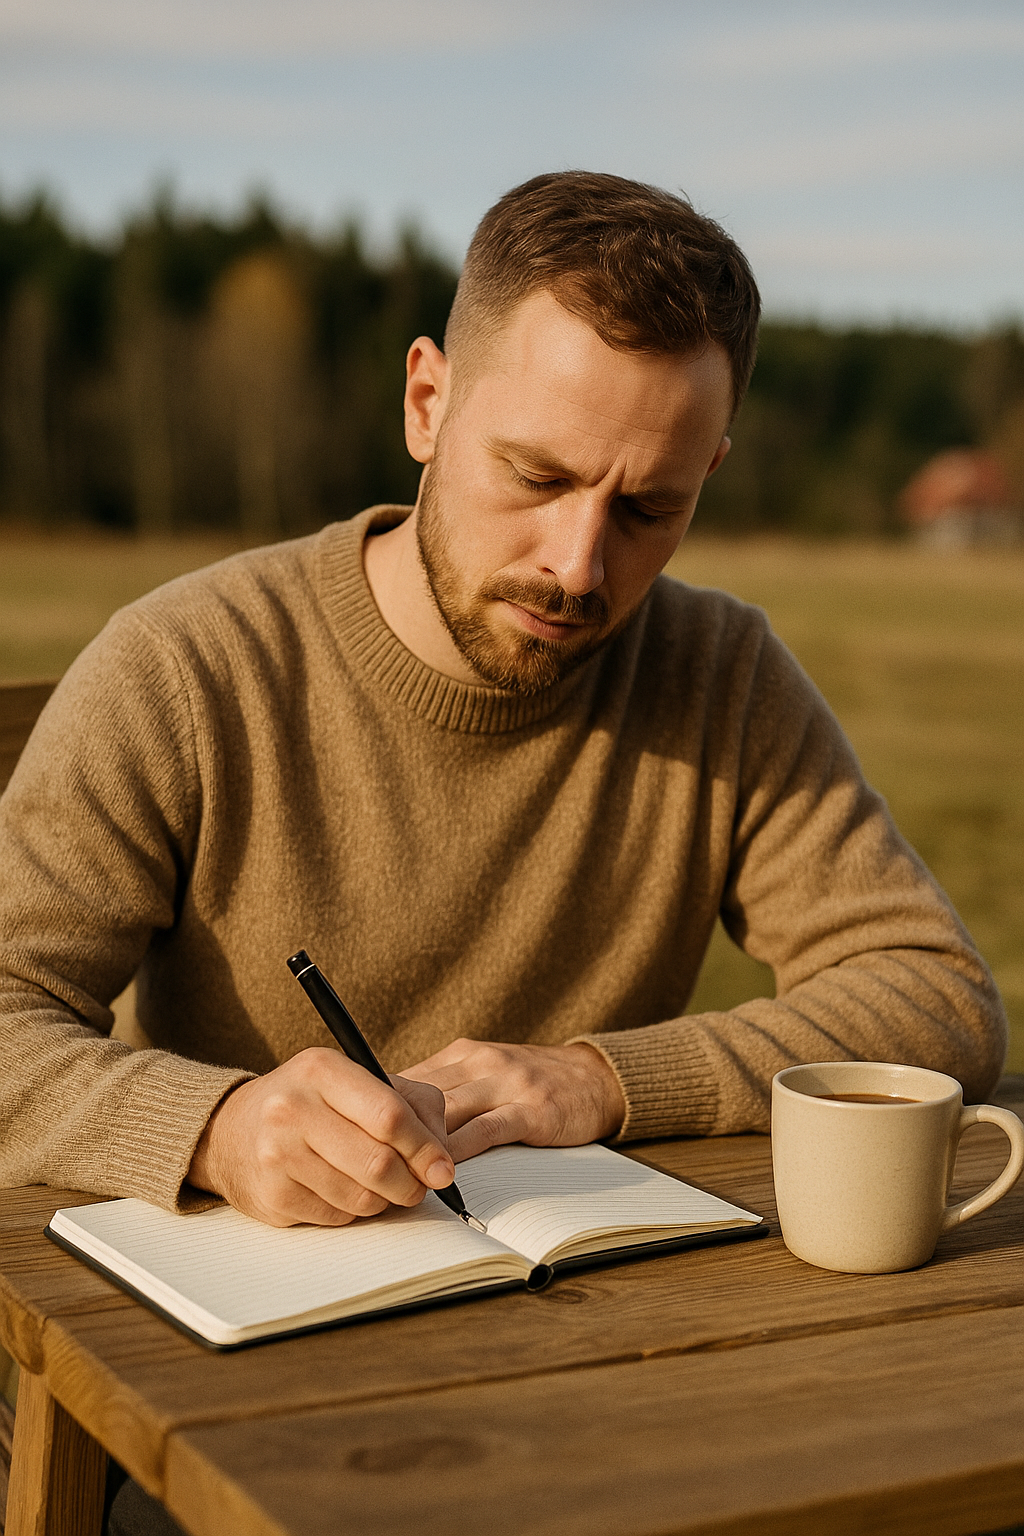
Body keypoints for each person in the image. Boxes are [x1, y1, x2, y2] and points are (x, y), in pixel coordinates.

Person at [0, 172, 1007, 1234]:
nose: (578, 569)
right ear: (427, 404)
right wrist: (218, 1128)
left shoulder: (721, 673)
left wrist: (602, 1081)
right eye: (535, 477)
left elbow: (932, 997)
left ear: (707, 471)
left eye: (648, 508)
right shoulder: (188, 666)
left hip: (598, 1325)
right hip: (241, 1319)